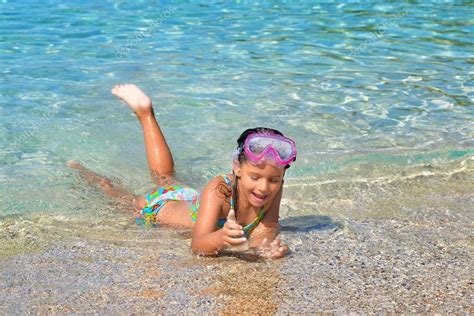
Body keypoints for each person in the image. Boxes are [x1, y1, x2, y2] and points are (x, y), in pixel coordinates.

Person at [69, 84, 297, 259]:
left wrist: (264, 247)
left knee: (165, 175)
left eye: (274, 180)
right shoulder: (219, 190)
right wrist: (221, 238)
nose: (264, 187)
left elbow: (267, 226)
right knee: (114, 193)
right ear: (237, 167)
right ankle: (80, 169)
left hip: (185, 196)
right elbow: (197, 245)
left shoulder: (273, 186)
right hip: (158, 207)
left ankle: (145, 112)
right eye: (255, 177)